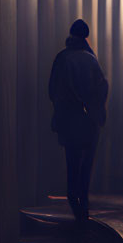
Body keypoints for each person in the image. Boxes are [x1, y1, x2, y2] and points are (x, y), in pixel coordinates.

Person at [48, 18, 108, 222]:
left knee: (72, 161)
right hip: (89, 122)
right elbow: (102, 88)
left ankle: (74, 199)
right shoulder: (92, 60)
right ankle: (83, 201)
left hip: (69, 120)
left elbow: (53, 90)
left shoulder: (62, 58)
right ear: (86, 36)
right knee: (87, 163)